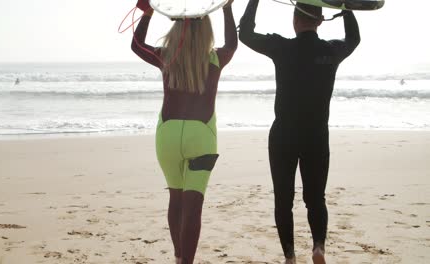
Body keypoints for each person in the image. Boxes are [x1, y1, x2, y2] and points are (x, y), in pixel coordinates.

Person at [239, 1, 360, 263]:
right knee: (315, 198)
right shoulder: (330, 50)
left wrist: (254, 1)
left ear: (295, 20)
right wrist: (347, 8)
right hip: (316, 135)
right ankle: (318, 247)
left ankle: (290, 257)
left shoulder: (282, 47)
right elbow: (354, 39)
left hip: (283, 134)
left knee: (284, 200)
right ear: (319, 21)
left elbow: (245, 34)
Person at [131, 0, 237, 263]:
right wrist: (227, 8)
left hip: (168, 134)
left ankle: (178, 257)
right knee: (193, 206)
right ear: (205, 32)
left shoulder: (167, 56)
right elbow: (233, 44)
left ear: (176, 32)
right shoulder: (214, 59)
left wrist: (147, 12)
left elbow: (136, 45)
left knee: (176, 199)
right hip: (200, 136)